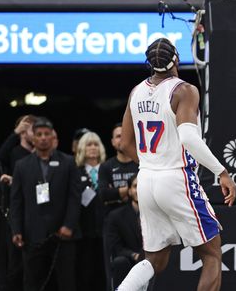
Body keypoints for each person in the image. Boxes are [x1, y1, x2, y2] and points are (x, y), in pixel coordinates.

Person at [115, 38, 236, 291]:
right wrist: (221, 171)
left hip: (146, 180)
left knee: (155, 260)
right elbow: (189, 138)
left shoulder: (135, 92)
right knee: (212, 254)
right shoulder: (184, 90)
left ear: (149, 64)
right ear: (177, 59)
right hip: (176, 177)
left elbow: (125, 144)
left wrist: (153, 162)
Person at [10, 117, 82, 291]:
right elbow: (16, 201)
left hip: (62, 234)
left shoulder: (68, 163)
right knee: (33, 282)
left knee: (66, 282)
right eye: (39, 134)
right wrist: (16, 230)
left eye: (46, 134)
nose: (43, 137)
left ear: (53, 137)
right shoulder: (22, 165)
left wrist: (69, 225)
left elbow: (75, 197)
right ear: (33, 138)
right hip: (33, 234)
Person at [75, 131, 107, 291]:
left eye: (96, 144)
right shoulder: (76, 171)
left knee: (104, 272)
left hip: (106, 229)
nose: (93, 148)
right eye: (89, 144)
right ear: (82, 148)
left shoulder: (107, 170)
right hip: (84, 230)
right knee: (85, 272)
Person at [104, 176, 144, 288]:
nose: (139, 190)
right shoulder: (116, 216)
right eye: (135, 186)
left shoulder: (157, 214)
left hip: (154, 259)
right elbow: (116, 247)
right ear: (130, 191)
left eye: (142, 186)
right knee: (120, 262)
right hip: (130, 259)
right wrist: (134, 255)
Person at [98, 123, 139, 217]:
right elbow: (103, 195)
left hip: (139, 218)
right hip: (113, 218)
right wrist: (131, 190)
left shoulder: (141, 163)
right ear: (112, 142)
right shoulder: (106, 166)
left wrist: (115, 192)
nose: (122, 139)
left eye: (125, 135)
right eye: (118, 136)